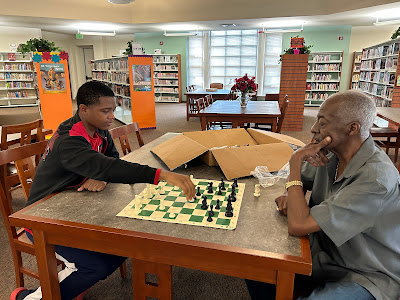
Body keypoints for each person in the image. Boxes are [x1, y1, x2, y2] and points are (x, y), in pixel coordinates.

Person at [11, 80, 195, 300]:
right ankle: (30, 297)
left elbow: (111, 161)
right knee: (95, 266)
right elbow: (108, 166)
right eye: (105, 111)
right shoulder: (69, 139)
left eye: (113, 110)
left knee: (121, 250)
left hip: (74, 206)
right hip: (41, 217)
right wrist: (162, 175)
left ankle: (71, 281)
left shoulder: (100, 130)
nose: (111, 116)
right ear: (83, 109)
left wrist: (101, 177)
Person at [246, 90, 400, 300]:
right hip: (324, 254)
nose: (313, 129)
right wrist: (288, 192)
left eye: (322, 122)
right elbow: (298, 182)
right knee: (256, 263)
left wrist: (295, 161)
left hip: (365, 274)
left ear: (352, 128)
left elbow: (298, 225)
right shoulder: (332, 153)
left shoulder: (376, 179)